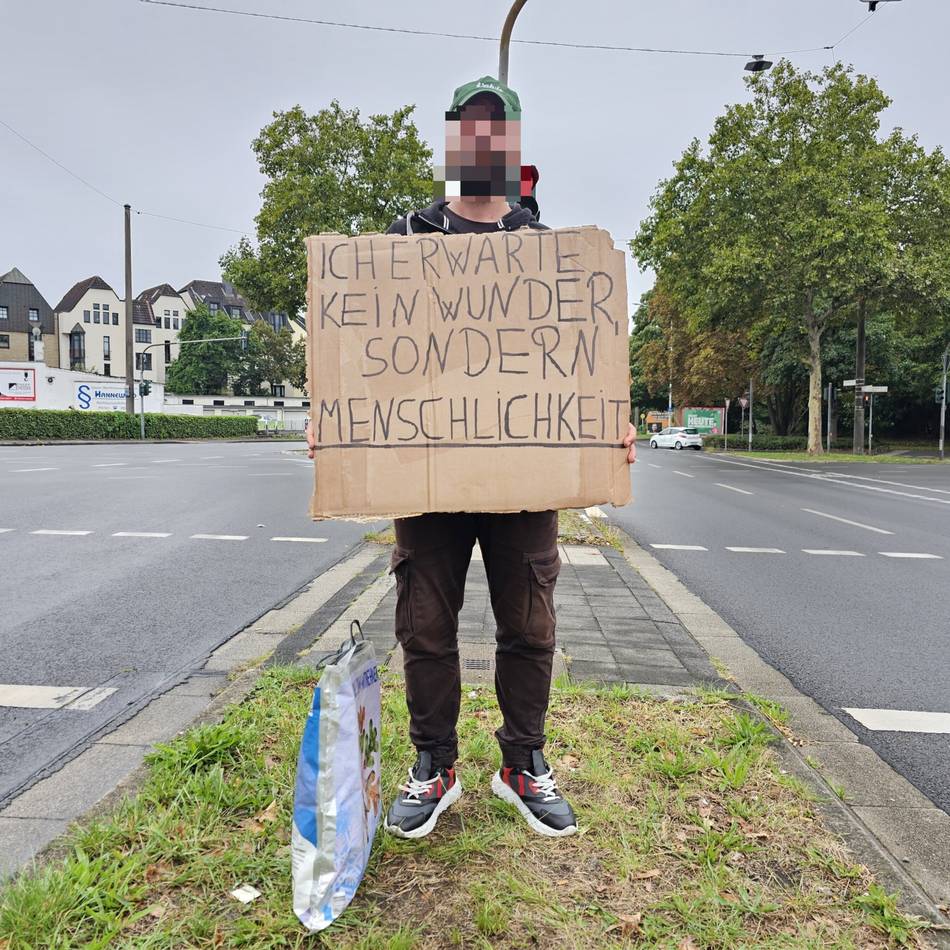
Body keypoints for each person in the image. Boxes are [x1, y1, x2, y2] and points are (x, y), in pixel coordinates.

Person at [307, 75, 637, 840]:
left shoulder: (549, 253)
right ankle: (435, 766)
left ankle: (523, 761)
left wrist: (606, 432)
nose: (483, 144)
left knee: (531, 624)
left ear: (514, 148)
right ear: (454, 142)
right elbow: (357, 356)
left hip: (527, 477)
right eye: (470, 130)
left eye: (498, 132)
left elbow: (587, 365)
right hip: (425, 480)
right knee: (425, 624)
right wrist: (336, 423)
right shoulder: (403, 244)